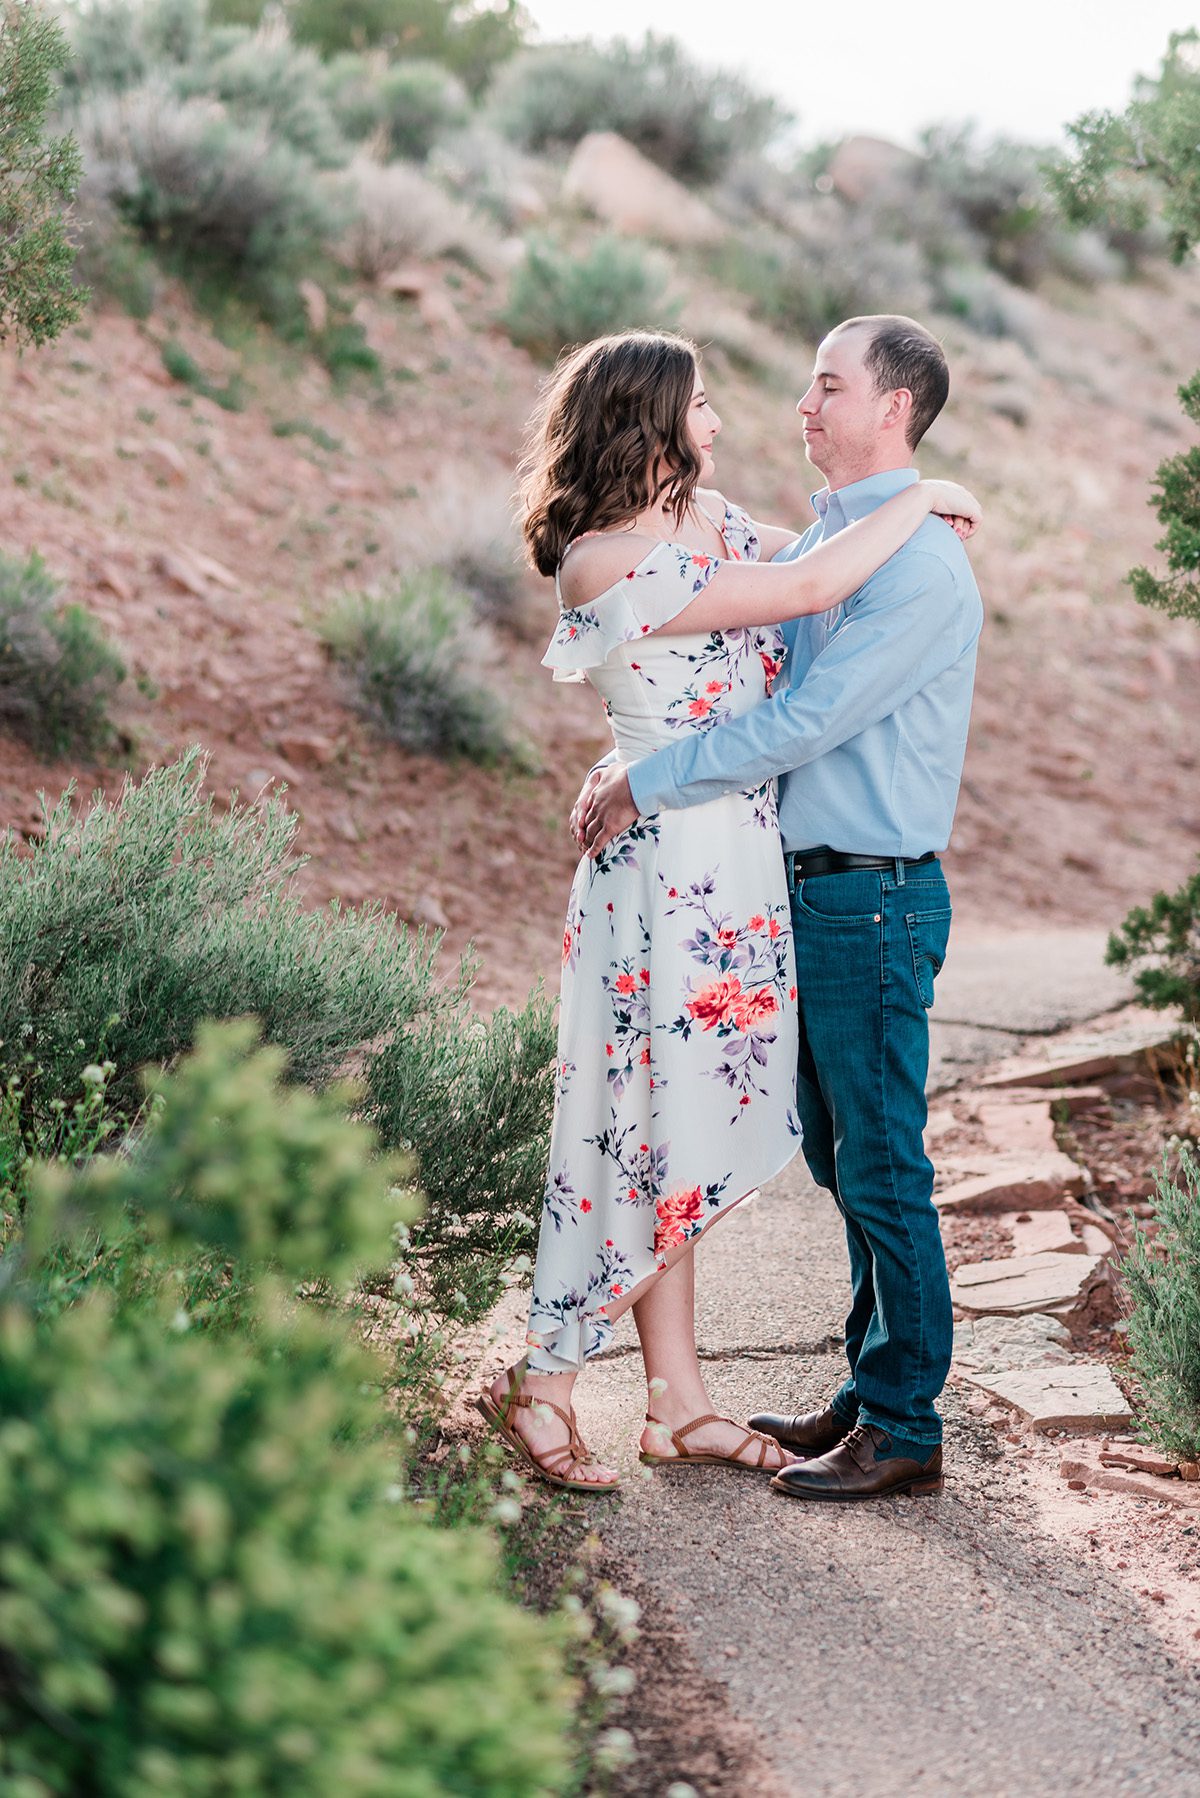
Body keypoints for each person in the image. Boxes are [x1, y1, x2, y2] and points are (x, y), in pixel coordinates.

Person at [479, 328, 979, 1492]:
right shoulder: (610, 559)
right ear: (646, 423)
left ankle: (719, 1404)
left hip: (754, 872)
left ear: (892, 404)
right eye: (701, 403)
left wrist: (918, 500)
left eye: (826, 384)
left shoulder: (721, 525)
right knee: (633, 1124)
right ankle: (560, 1374)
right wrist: (931, 495)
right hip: (669, 874)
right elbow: (809, 580)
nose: (737, 416)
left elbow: (812, 572)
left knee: (704, 1142)